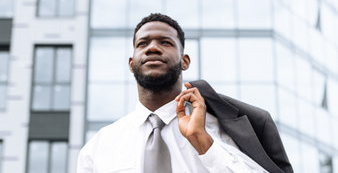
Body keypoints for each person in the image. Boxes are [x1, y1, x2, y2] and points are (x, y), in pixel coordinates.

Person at [77, 13, 293, 173]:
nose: (152, 48)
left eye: (165, 42)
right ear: (131, 63)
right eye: (143, 43)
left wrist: (202, 142)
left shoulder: (220, 128)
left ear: (185, 61)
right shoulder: (99, 147)